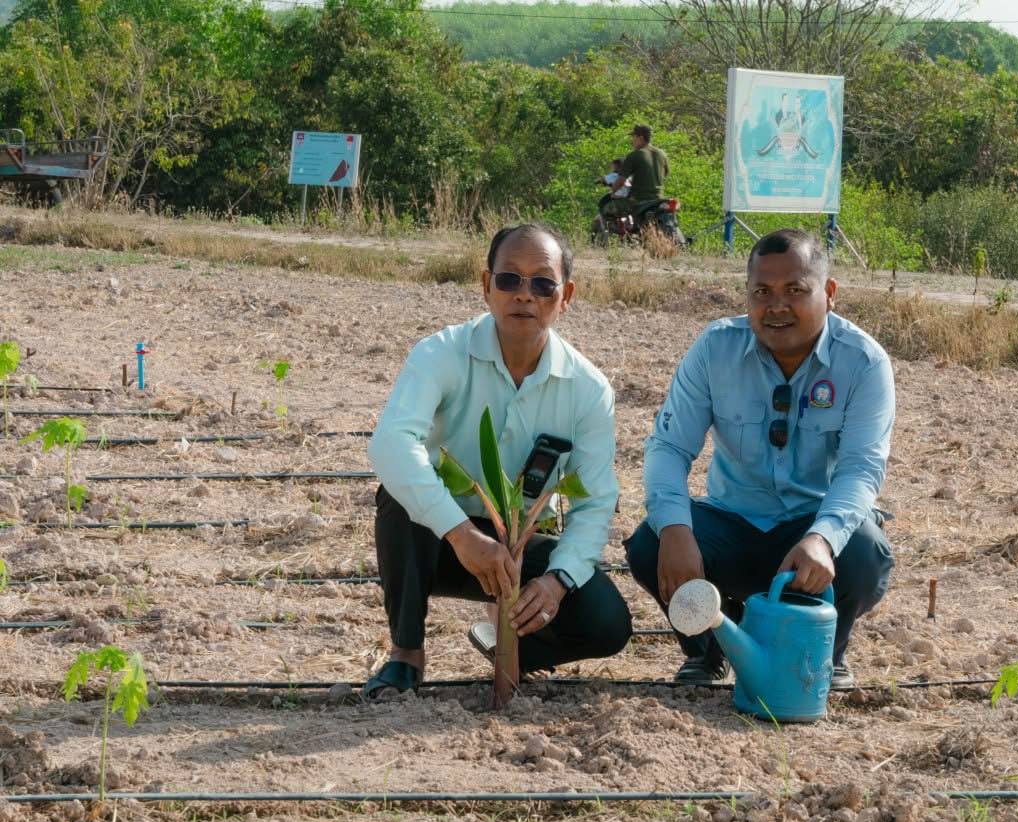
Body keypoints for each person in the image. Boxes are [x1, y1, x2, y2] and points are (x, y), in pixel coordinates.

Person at [364, 223, 633, 700]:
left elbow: (594, 502)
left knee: (607, 622)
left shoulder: (588, 390)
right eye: (510, 280)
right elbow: (391, 444)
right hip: (439, 540)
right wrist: (461, 534)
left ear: (565, 295)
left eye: (542, 284)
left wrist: (555, 582)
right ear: (486, 286)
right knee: (399, 498)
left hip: (521, 546)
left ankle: (512, 649)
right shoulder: (441, 354)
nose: (524, 296)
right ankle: (406, 654)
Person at [625, 228, 895, 688]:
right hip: (732, 523)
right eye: (762, 292)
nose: (776, 306)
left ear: (829, 294)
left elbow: (860, 469)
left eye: (795, 290)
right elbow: (669, 448)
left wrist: (823, 539)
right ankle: (707, 651)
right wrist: (674, 528)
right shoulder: (716, 349)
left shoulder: (864, 362)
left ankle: (825, 653)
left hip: (806, 535)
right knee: (651, 542)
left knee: (865, 550)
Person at [602, 124, 669, 221]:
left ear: (640, 137)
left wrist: (613, 192)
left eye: (633, 137)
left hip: (638, 201)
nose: (632, 140)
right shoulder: (662, 154)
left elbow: (621, 181)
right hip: (658, 200)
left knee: (607, 208)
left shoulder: (635, 155)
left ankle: (624, 234)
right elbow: (665, 175)